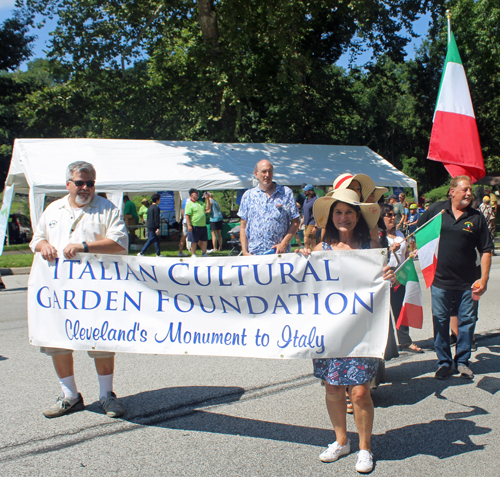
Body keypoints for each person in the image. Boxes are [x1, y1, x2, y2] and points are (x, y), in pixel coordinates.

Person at [299, 188, 395, 473]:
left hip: (361, 331)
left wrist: (388, 273)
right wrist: (300, 257)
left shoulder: (371, 249)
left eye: (349, 212)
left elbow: (386, 278)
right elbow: (300, 283)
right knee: (332, 388)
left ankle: (364, 449)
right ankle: (342, 441)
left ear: (358, 217)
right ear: (331, 217)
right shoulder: (320, 251)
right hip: (330, 331)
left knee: (361, 392)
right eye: (338, 212)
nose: (344, 218)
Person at [29, 161, 129, 418]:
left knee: (102, 340)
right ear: (68, 184)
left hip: (97, 290)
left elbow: (119, 244)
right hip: (58, 292)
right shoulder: (53, 209)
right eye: (80, 183)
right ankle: (70, 396)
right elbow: (37, 239)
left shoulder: (107, 209)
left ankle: (107, 396)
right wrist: (43, 247)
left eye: (90, 183)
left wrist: (83, 245)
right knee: (57, 341)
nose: (85, 188)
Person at [417, 175, 493, 380]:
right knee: (440, 321)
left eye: (470, 190)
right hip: (440, 281)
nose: (469, 193)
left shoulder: (476, 217)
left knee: (467, 322)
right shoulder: (437, 210)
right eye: (465, 189)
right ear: (452, 191)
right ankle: (443, 362)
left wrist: (484, 279)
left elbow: (486, 250)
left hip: (468, 283)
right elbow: (419, 231)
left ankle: (462, 362)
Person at [380, 203, 422, 353]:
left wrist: (410, 257)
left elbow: (404, 255)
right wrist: (389, 250)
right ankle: (385, 345)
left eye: (393, 215)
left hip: (399, 274)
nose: (393, 218)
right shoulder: (379, 236)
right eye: (389, 215)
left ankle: (405, 341)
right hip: (384, 275)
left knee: (400, 309)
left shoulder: (400, 234)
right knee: (384, 313)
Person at [238, 160, 300, 255]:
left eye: (270, 171)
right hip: (254, 255)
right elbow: (243, 226)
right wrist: (245, 252)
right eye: (264, 171)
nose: (267, 175)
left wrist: (284, 244)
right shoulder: (248, 196)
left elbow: (295, 222)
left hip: (278, 254)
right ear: (256, 174)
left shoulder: (286, 193)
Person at [185, 188, 210, 257]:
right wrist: (189, 225)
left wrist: (207, 199)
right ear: (192, 194)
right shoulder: (189, 204)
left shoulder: (200, 202)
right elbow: (187, 215)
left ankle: (204, 253)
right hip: (194, 225)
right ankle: (193, 253)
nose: (197, 195)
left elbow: (207, 208)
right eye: (196, 193)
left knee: (204, 240)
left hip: (203, 225)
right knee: (194, 241)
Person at [301, 184, 318, 249]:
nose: (304, 192)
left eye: (306, 191)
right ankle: (315, 253)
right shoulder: (306, 200)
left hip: (312, 223)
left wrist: (316, 226)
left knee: (306, 240)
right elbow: (305, 213)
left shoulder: (315, 201)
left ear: (311, 191)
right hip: (306, 223)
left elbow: (318, 214)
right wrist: (301, 223)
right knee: (313, 241)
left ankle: (307, 253)